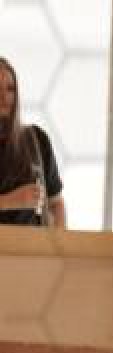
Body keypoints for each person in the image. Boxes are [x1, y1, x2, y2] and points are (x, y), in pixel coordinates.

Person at [0, 58, 65, 229]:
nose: (4, 96)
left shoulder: (37, 139)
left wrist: (60, 243)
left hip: (31, 244)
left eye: (10, 89)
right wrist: (9, 201)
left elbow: (56, 204)